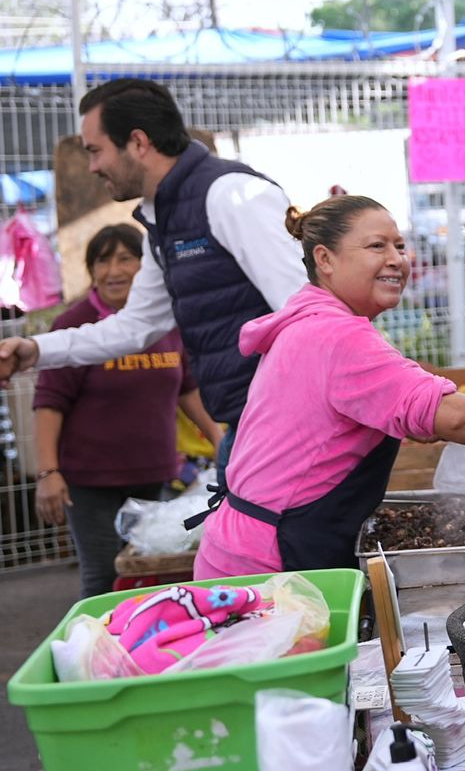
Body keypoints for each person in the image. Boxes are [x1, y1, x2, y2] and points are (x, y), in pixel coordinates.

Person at [193, 195, 465, 578]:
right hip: (269, 562)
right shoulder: (337, 335)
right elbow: (449, 416)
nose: (396, 259)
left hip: (244, 545)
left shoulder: (310, 320)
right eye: (376, 246)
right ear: (325, 259)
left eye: (400, 246)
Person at [0, 79, 304, 478]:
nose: (91, 167)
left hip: (289, 430)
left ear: (139, 143)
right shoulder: (164, 218)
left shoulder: (230, 196)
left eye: (96, 151)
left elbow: (307, 310)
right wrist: (36, 350)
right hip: (248, 426)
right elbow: (136, 326)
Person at [33, 224, 223, 598]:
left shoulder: (164, 322)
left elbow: (187, 388)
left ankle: (151, 650)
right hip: (89, 485)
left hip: (155, 476)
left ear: (145, 267)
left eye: (125, 259)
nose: (113, 271)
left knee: (157, 572)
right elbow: (49, 403)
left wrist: (220, 438)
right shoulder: (74, 324)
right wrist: (48, 472)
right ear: (91, 270)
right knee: (105, 579)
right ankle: (95, 654)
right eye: (103, 261)